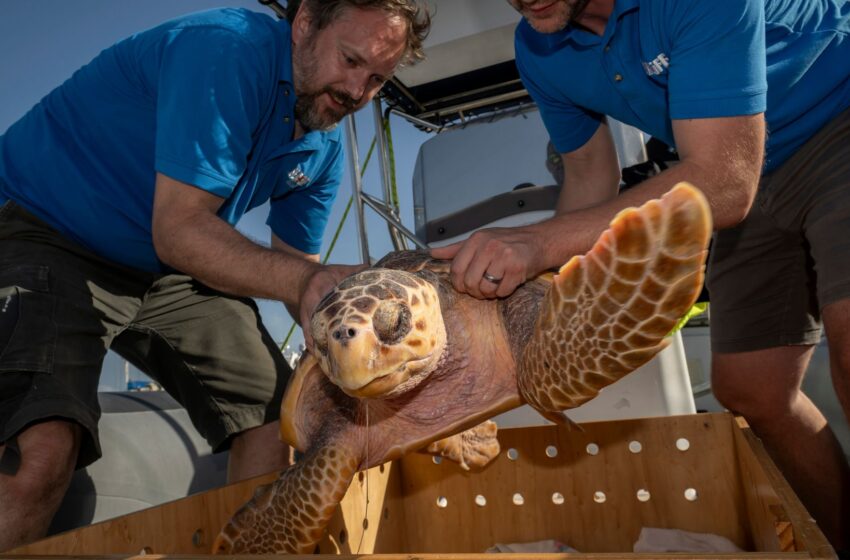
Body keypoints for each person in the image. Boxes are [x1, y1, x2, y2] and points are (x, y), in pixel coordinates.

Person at [0, 0, 429, 551]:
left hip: (164, 263)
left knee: (280, 417)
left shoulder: (322, 149)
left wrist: (365, 379)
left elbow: (303, 281)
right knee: (39, 447)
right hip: (47, 227)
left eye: (376, 79)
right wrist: (304, 283)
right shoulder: (226, 50)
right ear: (303, 25)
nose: (356, 92)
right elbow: (180, 230)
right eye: (349, 60)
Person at [431, 0, 850, 549]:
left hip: (833, 120)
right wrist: (526, 311)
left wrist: (535, 243)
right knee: (753, 389)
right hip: (746, 172)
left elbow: (724, 180)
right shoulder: (537, 47)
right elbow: (588, 174)